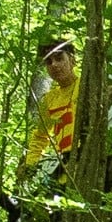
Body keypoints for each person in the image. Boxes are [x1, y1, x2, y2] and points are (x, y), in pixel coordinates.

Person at [23, 38, 78, 185]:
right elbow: (40, 137)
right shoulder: (49, 99)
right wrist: (30, 166)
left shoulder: (86, 85)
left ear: (72, 60)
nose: (54, 65)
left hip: (88, 160)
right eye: (49, 62)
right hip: (64, 165)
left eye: (59, 58)